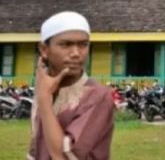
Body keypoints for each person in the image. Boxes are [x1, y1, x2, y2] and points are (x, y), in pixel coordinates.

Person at [28, 11, 115, 160]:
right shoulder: (45, 89)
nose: (76, 53)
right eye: (66, 44)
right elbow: (36, 147)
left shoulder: (97, 97)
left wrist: (44, 101)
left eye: (83, 45)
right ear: (44, 50)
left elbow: (65, 156)